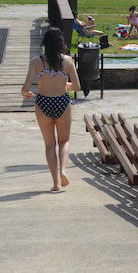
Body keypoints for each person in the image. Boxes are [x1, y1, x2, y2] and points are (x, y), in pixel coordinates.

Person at [20, 27, 80, 192]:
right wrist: (64, 84)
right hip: (62, 102)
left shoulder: (36, 61)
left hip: (43, 103)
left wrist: (28, 93)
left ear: (45, 43)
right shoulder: (68, 61)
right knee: (64, 141)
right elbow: (77, 86)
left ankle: (55, 183)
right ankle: (64, 171)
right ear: (61, 43)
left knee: (49, 145)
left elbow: (25, 88)